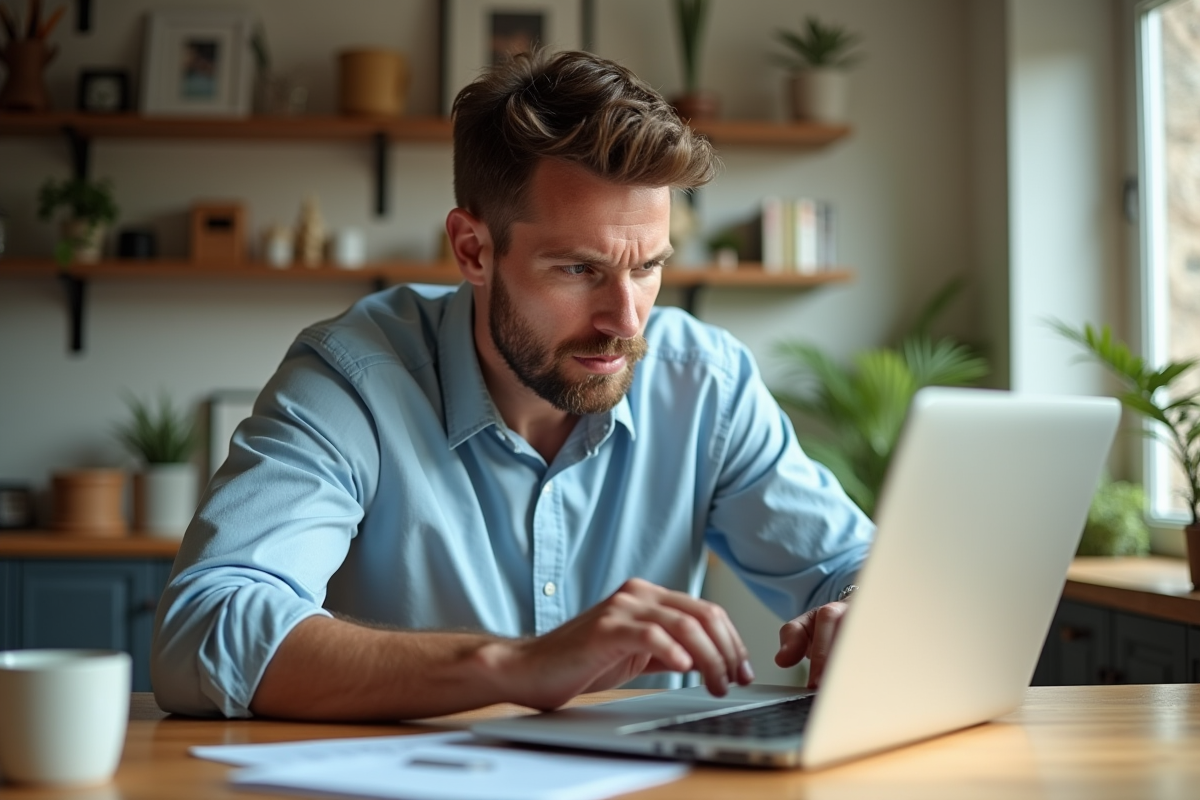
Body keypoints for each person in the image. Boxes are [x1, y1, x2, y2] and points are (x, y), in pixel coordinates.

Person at [151, 50, 875, 721]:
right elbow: (203, 630)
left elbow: (850, 563)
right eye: (578, 269)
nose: (625, 320)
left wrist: (859, 607)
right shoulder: (354, 380)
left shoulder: (704, 384)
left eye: (648, 266)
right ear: (473, 249)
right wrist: (513, 666)